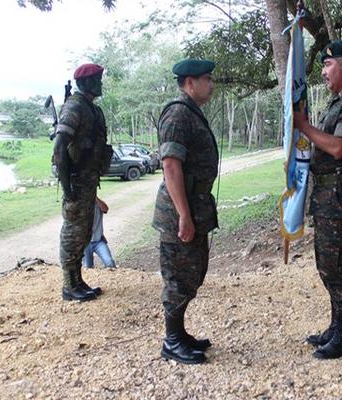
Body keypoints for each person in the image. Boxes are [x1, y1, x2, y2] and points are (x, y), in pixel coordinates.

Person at [294, 40, 342, 359]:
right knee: (329, 265)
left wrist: (304, 126)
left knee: (338, 266)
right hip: (327, 198)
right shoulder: (338, 101)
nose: (323, 72)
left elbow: (339, 147)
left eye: (327, 65)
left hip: (340, 199)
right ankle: (338, 326)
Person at [152, 59, 218, 365]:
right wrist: (183, 215)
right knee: (179, 275)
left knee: (192, 271)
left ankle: (180, 333)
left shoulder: (191, 111)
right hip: (181, 209)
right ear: (189, 82)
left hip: (195, 204)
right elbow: (170, 165)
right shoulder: (178, 113)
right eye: (206, 79)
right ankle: (172, 341)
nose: (211, 84)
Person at [53, 63, 112, 302]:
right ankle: (69, 286)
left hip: (87, 181)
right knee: (73, 233)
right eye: (97, 79)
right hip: (76, 182)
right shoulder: (75, 106)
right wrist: (67, 187)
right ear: (85, 82)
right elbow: (59, 146)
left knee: (84, 232)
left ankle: (77, 281)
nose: (100, 83)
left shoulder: (92, 109)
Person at [83, 196, 116, 269]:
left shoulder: (97, 203)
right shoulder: (80, 204)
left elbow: (105, 209)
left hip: (98, 241)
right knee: (87, 268)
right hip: (85, 243)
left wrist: (95, 197)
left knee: (110, 263)